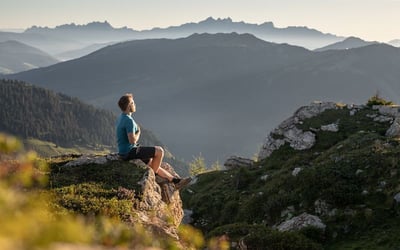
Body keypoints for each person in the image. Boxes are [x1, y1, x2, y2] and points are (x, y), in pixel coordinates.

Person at [116, 93, 191, 189]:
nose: (134, 105)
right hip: (129, 151)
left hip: (124, 151)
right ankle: (152, 177)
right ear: (128, 105)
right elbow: (132, 140)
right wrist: (138, 132)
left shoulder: (121, 117)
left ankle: (175, 181)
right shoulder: (128, 120)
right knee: (159, 151)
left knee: (152, 163)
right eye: (133, 103)